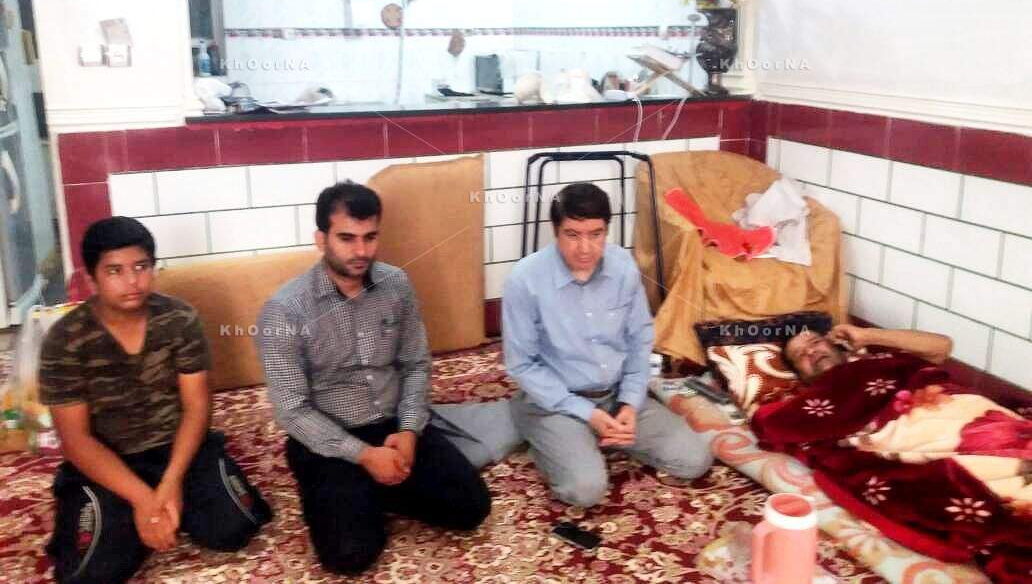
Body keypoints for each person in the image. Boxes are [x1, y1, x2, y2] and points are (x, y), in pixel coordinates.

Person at [255, 182, 491, 574]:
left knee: (472, 509)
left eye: (370, 237)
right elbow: (292, 410)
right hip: (331, 439)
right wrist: (364, 457)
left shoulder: (396, 284)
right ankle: (360, 491)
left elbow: (415, 364)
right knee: (349, 557)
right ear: (321, 239)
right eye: (347, 238)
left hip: (393, 426)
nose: (361, 251)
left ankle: (374, 491)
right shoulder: (285, 310)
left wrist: (410, 431)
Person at [39, 217, 271, 584]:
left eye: (141, 267)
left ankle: (159, 512)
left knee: (234, 528)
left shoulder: (179, 319)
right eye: (115, 271)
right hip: (109, 460)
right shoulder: (65, 339)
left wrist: (171, 482)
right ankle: (135, 518)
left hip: (178, 449)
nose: (132, 281)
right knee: (92, 573)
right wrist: (144, 499)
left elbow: (197, 406)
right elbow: (76, 440)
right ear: (91, 278)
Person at [502, 182, 713, 507]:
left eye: (596, 234)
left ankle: (603, 435)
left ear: (606, 231)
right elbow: (522, 365)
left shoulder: (623, 266)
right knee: (585, 491)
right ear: (555, 232)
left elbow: (640, 338)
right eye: (572, 235)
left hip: (615, 394)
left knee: (696, 460)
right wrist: (586, 413)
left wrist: (629, 403)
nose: (585, 248)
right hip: (557, 402)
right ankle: (549, 434)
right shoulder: (524, 279)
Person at [783, 323, 953, 382]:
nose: (811, 351)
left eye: (815, 342)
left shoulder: (880, 360)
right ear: (801, 376)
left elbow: (942, 347)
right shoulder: (807, 405)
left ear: (834, 344)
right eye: (800, 354)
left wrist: (866, 335)